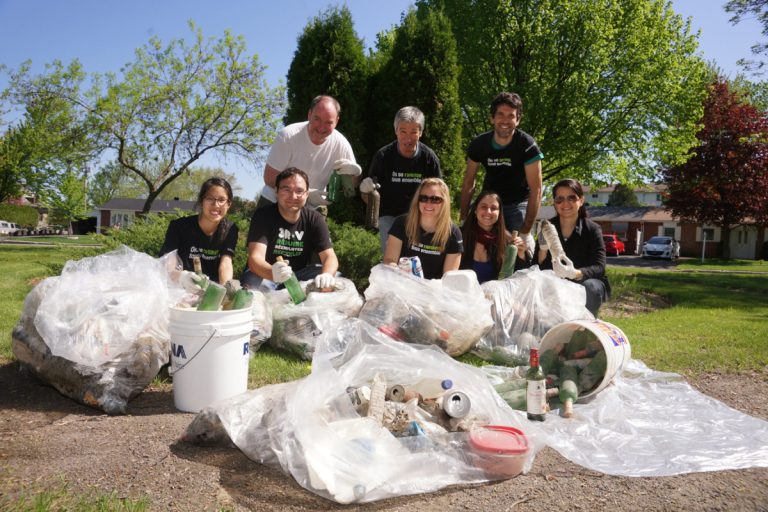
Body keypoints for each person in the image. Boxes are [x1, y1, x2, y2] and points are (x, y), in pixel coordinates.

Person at [460, 92, 543, 251]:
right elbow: (469, 182)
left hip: (517, 202)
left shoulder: (527, 145)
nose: (505, 120)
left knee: (520, 250)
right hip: (490, 200)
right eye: (500, 114)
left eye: (511, 116)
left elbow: (536, 189)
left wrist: (525, 231)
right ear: (492, 118)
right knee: (469, 242)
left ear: (517, 120)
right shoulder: (479, 144)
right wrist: (464, 218)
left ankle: (530, 254)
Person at [521, 178, 610, 316]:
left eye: (571, 198)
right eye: (559, 199)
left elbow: (599, 267)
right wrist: (543, 251)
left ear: (581, 200)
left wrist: (574, 273)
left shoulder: (592, 229)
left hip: (585, 282)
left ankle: (585, 328)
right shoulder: (547, 227)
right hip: (556, 284)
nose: (565, 203)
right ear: (554, 203)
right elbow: (537, 267)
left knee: (590, 287)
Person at [359, 106, 441, 252]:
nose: (408, 138)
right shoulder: (383, 156)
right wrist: (365, 191)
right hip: (389, 215)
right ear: (395, 130)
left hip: (420, 215)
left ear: (420, 133)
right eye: (403, 131)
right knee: (391, 259)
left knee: (415, 258)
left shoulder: (429, 158)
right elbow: (370, 196)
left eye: (413, 132)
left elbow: (439, 194)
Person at [258, 95, 361, 209]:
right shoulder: (288, 135)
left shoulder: (341, 144)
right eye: (317, 119)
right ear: (309, 114)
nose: (321, 127)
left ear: (336, 121)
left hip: (313, 208)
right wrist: (305, 193)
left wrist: (355, 174)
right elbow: (269, 177)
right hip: (274, 202)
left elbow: (352, 185)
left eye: (328, 122)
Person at [243, 167, 339, 290]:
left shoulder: (315, 219)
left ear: (306, 194)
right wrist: (273, 273)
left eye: (299, 191)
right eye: (286, 189)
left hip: (297, 276)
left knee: (335, 276)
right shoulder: (263, 215)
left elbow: (329, 256)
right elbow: (255, 259)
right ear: (276, 191)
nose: (293, 196)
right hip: (266, 275)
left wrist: (327, 274)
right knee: (254, 286)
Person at [159, 177, 238, 284]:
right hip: (179, 286)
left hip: (211, 290)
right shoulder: (178, 226)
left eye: (221, 200)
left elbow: (226, 263)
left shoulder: (230, 229)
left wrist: (225, 289)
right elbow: (168, 265)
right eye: (210, 198)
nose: (216, 205)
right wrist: (184, 277)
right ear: (201, 201)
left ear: (228, 204)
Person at [383, 177, 463, 279]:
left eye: (435, 199)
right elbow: (389, 260)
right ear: (417, 200)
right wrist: (398, 271)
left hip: (435, 290)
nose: (428, 203)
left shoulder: (453, 233)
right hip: (403, 285)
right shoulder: (402, 223)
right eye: (423, 198)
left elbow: (449, 277)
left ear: (445, 202)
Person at [459, 191, 508, 284]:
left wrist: (521, 253)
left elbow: (518, 275)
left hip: (491, 296)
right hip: (461, 295)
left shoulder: (505, 241)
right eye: (484, 207)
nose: (488, 212)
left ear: (499, 213)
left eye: (493, 208)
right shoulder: (458, 236)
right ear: (475, 209)